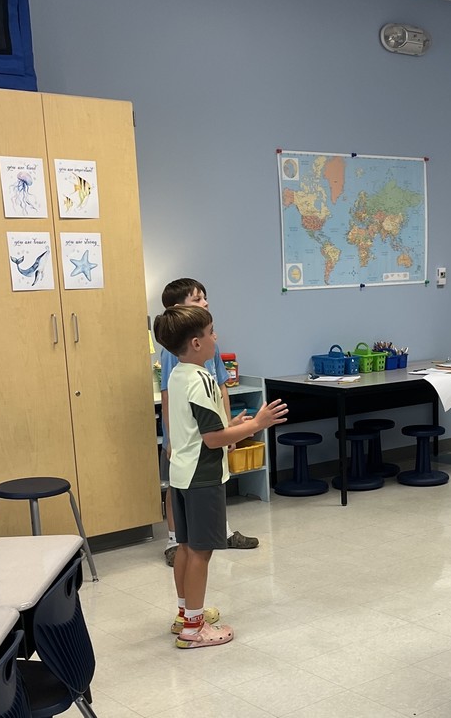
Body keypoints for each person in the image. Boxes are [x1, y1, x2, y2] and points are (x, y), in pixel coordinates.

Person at [153, 304, 287, 648]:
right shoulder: (201, 380)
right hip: (203, 477)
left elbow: (201, 428)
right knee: (201, 552)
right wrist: (257, 425)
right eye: (211, 332)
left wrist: (236, 425)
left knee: (185, 547)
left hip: (181, 474)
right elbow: (213, 439)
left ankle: (186, 614)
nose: (216, 337)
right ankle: (194, 631)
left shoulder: (178, 374)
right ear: (196, 343)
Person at [160, 278, 258, 566]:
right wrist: (170, 439)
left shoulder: (208, 347)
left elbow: (220, 387)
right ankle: (174, 540)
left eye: (205, 298)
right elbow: (169, 397)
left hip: (212, 428)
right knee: (181, 490)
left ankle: (221, 532)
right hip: (189, 444)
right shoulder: (177, 356)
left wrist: (228, 425)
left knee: (213, 488)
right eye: (197, 300)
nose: (205, 303)